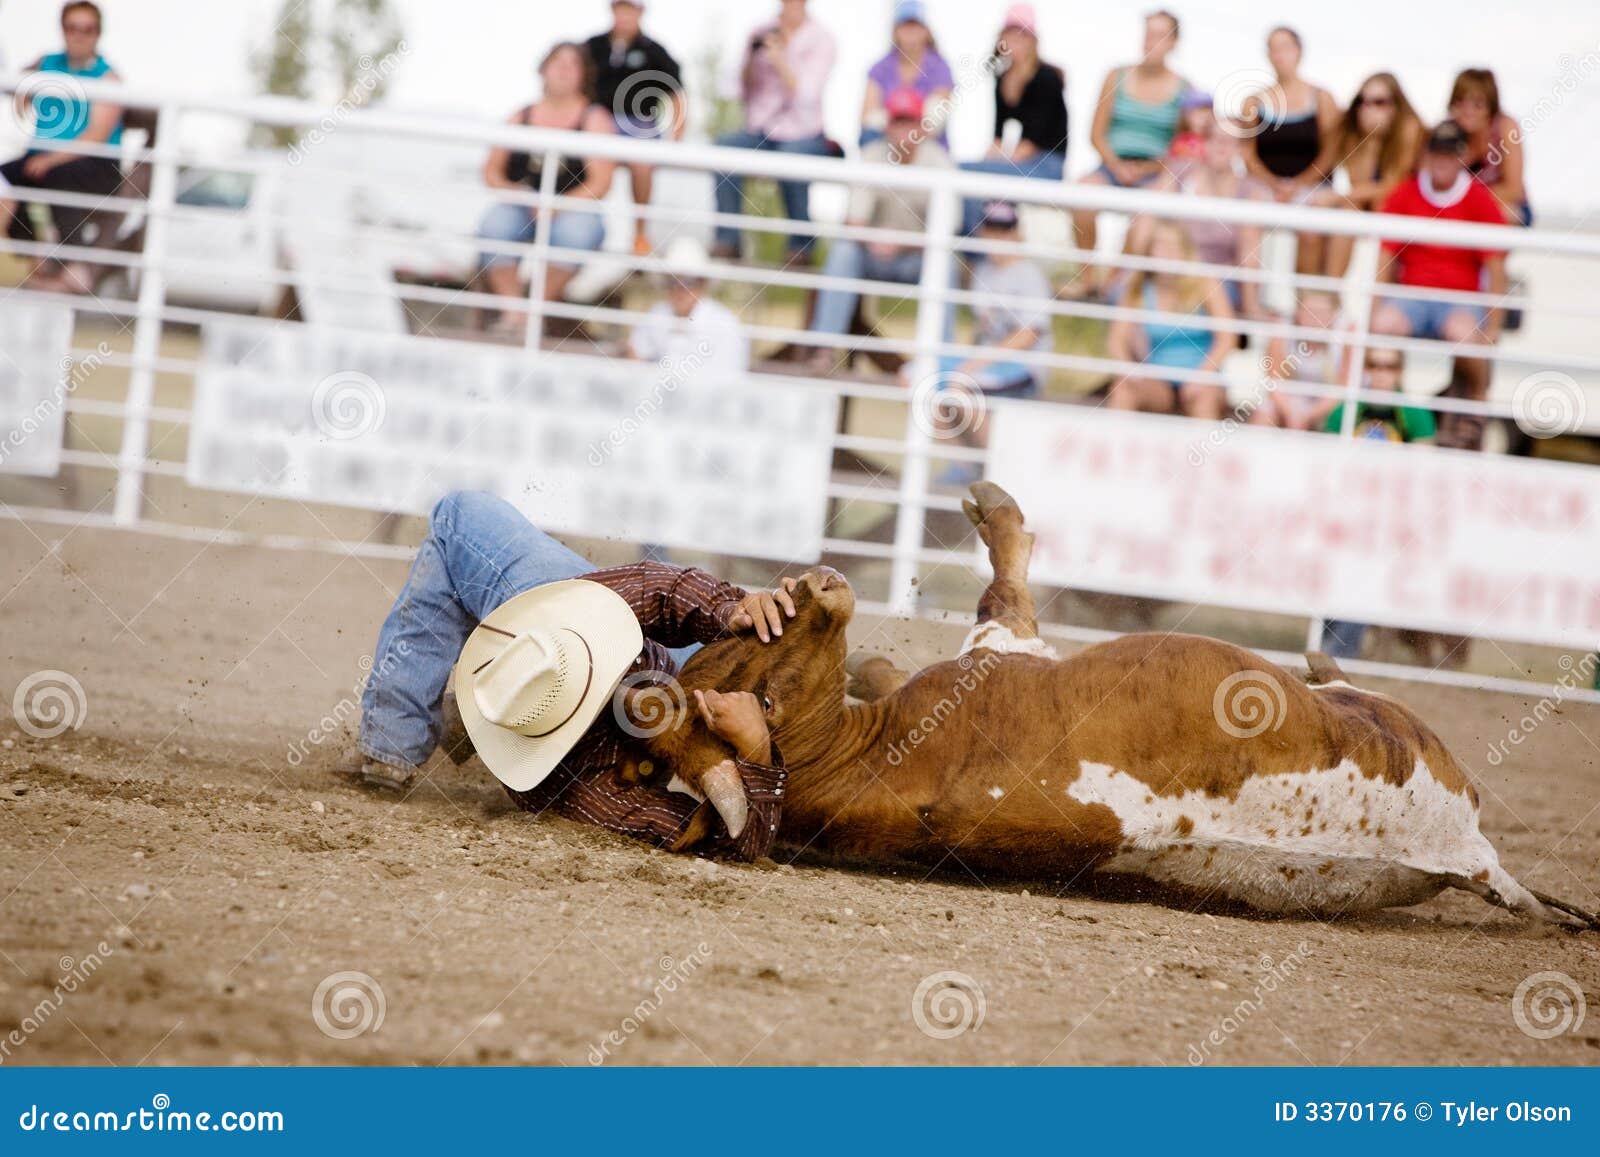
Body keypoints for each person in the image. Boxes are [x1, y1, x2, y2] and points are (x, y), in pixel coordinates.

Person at [351, 491, 799, 861]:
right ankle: (410, 732)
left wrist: (727, 609)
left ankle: (401, 739)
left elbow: (654, 590)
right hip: (588, 646)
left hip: (552, 634)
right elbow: (732, 844)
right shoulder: (585, 793)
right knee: (457, 516)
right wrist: (756, 748)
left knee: (458, 516)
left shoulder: (568, 650)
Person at [1370, 120, 1508, 450]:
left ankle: (1474, 404)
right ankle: (1389, 410)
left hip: (1459, 299)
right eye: (1437, 153)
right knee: (1382, 327)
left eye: (1450, 154)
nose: (1442, 161)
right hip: (1412, 295)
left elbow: (1495, 266)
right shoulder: (1406, 192)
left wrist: (1494, 325)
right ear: (1427, 155)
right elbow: (1386, 257)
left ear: (1461, 157)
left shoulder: (1478, 199)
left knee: (1466, 336)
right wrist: (1374, 309)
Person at [806, 88, 954, 374]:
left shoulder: (940, 163)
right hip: (871, 254)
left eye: (909, 121)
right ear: (888, 125)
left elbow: (947, 229)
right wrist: (877, 239)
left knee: (944, 262)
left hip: (916, 259)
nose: (903, 130)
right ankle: (823, 349)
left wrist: (902, 242)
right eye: (898, 121)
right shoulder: (872, 156)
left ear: (922, 126)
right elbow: (854, 222)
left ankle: (941, 360)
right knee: (844, 251)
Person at [477, 42, 616, 333]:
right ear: (543, 70)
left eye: (572, 64)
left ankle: (534, 312)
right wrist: (518, 194)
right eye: (557, 62)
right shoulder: (522, 115)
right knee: (495, 224)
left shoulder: (593, 118)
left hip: (571, 208)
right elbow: (490, 171)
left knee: (577, 232)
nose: (564, 70)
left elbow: (601, 182)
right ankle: (514, 313)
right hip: (523, 204)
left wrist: (558, 205)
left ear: (583, 74)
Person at [916, 201, 1053, 478]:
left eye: (1004, 231)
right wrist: (968, 361)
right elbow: (983, 331)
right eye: (991, 230)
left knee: (959, 388)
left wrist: (970, 365)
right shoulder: (983, 272)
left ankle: (996, 472)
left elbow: (1028, 335)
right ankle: (966, 469)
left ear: (1016, 232)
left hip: (1022, 367)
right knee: (917, 379)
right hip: (988, 364)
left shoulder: (1029, 275)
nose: (997, 238)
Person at [0, 1, 126, 295]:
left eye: (87, 29)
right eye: (72, 28)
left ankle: (75, 267)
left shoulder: (108, 77)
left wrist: (51, 159)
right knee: (4, 179)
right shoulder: (47, 63)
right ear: (63, 30)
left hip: (93, 165)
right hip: (41, 159)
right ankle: (33, 255)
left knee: (59, 177)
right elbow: (18, 94)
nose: (79, 35)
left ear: (98, 33)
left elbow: (96, 135)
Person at [1319, 348, 1434, 661]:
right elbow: (1326, 457)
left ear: (1400, 371)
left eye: (1390, 365)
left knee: (1364, 573)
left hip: (1389, 513)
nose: (1382, 372)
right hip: (1346, 507)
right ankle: (1333, 645)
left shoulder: (1412, 412)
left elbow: (1426, 466)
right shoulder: (1349, 408)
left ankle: (1339, 652)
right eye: (1374, 364)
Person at [1071, 10, 1190, 291]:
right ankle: (1087, 279)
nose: (1151, 42)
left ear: (1174, 43)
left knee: (1146, 215)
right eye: (1148, 34)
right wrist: (1117, 166)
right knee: (1081, 196)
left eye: (1160, 35)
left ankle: (1114, 283)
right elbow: (1096, 134)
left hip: (1155, 173)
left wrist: (1148, 169)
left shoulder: (1184, 89)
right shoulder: (1116, 76)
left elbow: (1181, 148)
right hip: (1112, 165)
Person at [711, 0, 836, 264]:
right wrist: (750, 60)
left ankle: (802, 245)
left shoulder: (821, 39)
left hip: (804, 133)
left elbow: (807, 97)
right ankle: (728, 239)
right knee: (724, 147)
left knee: (793, 158)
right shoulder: (760, 31)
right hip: (761, 131)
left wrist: (781, 60)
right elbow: (738, 91)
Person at [1128, 117, 1270, 320]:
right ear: (1204, 142)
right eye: (1216, 139)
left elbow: (1249, 249)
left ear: (1240, 148)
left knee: (1203, 288)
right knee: (1134, 292)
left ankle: (1247, 307)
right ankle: (1132, 278)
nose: (1222, 148)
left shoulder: (1250, 191)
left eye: (1230, 142)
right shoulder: (1181, 172)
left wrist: (1250, 304)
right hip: (1171, 269)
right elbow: (1149, 211)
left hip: (1219, 281)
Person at [1105, 219, 1236, 420]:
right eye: (1160, 246)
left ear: (1185, 252)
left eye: (1173, 247)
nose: (1167, 253)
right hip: (1159, 384)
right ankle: (1112, 446)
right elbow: (1116, 340)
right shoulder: (1137, 288)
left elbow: (1227, 338)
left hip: (1202, 378)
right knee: (1123, 389)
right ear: (1149, 252)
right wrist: (1129, 371)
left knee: (1204, 398)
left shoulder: (1205, 283)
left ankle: (1205, 451)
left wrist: (1201, 377)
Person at [584, 0, 686, 257]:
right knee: (588, 164)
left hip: (639, 124)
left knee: (642, 164)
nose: (625, 15)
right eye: (621, 8)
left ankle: (640, 235)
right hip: (596, 124)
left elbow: (677, 95)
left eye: (631, 9)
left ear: (640, 13)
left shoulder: (654, 51)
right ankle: (585, 228)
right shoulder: (592, 46)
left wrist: (675, 140)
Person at [1238, 26, 1343, 275]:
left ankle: (1305, 305)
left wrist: (1296, 185)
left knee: (1310, 230)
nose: (1280, 55)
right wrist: (1274, 184)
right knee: (1248, 224)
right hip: (1266, 187)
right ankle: (1251, 304)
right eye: (1274, 49)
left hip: (1310, 186)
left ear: (1299, 51)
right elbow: (1247, 153)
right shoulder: (1253, 101)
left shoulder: (1322, 98)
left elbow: (1330, 153)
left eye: (1285, 48)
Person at [957, 4, 1067, 235]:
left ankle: (977, 247)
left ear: (1032, 40)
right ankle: (975, 245)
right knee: (962, 174)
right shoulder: (1003, 79)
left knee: (967, 173)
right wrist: (986, 162)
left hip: (1047, 166)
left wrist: (990, 166)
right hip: (1019, 163)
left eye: (1022, 34)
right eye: (1009, 33)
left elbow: (1031, 144)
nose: (1015, 40)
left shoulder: (1046, 78)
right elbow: (997, 139)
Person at [1323, 72, 1423, 275]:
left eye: (1379, 102)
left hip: (1406, 206)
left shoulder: (1409, 129)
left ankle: (1383, 295)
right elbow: (1361, 183)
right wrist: (1371, 140)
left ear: (1395, 105)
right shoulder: (1352, 134)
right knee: (1349, 211)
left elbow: (1392, 186)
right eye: (1363, 101)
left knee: (1379, 207)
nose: (1369, 108)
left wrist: (1336, 197)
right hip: (1373, 203)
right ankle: (1331, 292)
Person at [628, 236, 749, 380]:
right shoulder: (658, 313)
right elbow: (635, 356)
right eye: (672, 281)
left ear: (703, 284)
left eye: (689, 282)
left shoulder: (725, 324)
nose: (680, 289)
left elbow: (729, 379)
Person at [1249, 289, 1349, 431]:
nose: (1315, 318)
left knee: (1341, 416)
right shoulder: (1282, 333)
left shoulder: (1345, 339)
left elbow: (1342, 388)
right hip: (1288, 399)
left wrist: (1309, 415)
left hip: (1325, 403)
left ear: (1334, 315)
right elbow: (1273, 382)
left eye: (1322, 313)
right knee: (1265, 414)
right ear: (1297, 313)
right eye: (1309, 311)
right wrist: (1291, 413)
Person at [860, 1, 952, 148]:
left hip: (926, 147)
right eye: (904, 26)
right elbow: (866, 117)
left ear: (926, 30)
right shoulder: (880, 68)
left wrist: (906, 128)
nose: (910, 32)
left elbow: (937, 117)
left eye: (915, 25)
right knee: (869, 139)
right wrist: (898, 125)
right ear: (895, 30)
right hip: (886, 146)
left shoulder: (940, 68)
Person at [1448, 68, 1529, 226]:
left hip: (1503, 208)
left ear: (1490, 106)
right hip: (1461, 210)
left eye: (1477, 104)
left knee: (1503, 214)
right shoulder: (1447, 132)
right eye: (1460, 101)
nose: (1468, 110)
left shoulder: (1505, 128)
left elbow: (1513, 190)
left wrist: (1466, 200)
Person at [1167, 90, 1213, 162]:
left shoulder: (1212, 141)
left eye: (1208, 116)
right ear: (1186, 117)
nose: (1204, 121)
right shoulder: (1181, 142)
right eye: (1199, 116)